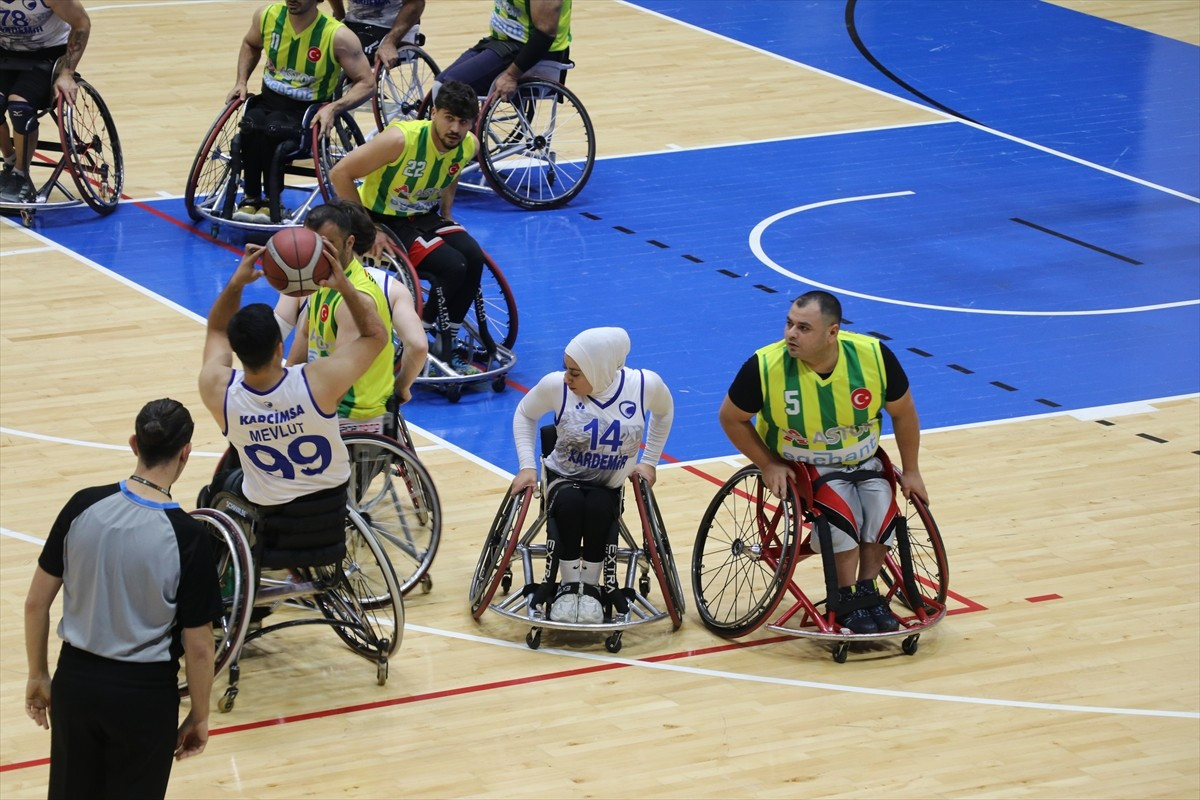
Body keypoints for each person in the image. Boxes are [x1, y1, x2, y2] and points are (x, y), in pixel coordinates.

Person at [23, 398, 222, 800]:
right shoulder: (190, 539)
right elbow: (199, 648)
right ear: (186, 452)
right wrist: (199, 715)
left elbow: (34, 603)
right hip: (142, 697)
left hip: (76, 684)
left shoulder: (83, 504)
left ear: (134, 443)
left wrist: (38, 674)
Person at [718, 290, 929, 635]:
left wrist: (913, 470)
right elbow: (730, 418)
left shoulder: (873, 356)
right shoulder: (765, 365)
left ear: (832, 332)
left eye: (803, 328)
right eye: (789, 324)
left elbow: (904, 414)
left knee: (881, 506)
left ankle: (867, 591)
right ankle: (843, 598)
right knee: (843, 514)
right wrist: (768, 464)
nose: (790, 334)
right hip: (804, 468)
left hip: (864, 459)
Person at [198, 236, 387, 509]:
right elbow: (376, 335)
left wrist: (236, 283)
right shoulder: (319, 382)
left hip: (272, 520)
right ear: (279, 348)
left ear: (235, 350)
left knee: (215, 490)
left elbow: (216, 329)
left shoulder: (218, 390)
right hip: (329, 512)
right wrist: (345, 286)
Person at [510, 327, 674, 624]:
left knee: (599, 507)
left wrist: (650, 461)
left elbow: (665, 411)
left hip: (608, 487)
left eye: (575, 372)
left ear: (598, 370)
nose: (566, 377)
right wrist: (527, 466)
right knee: (571, 503)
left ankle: (593, 589)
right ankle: (570, 587)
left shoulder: (643, 386)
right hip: (562, 480)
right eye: (566, 369)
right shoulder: (555, 388)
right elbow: (525, 413)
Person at [328, 79, 484, 376]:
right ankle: (418, 333)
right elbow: (340, 173)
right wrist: (368, 229)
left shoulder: (467, 144)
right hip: (383, 216)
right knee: (451, 267)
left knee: (473, 257)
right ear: (434, 113)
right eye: (448, 118)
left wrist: (448, 214)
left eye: (462, 121)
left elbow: (452, 172)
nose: (454, 128)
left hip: (424, 214)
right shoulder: (400, 140)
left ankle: (445, 339)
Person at [279, 201, 427, 427]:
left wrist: (297, 412)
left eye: (327, 245)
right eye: (314, 245)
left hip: (349, 414)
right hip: (326, 396)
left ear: (349, 242)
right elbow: (305, 335)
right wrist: (283, 390)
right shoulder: (321, 277)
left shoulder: (355, 298)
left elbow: (341, 379)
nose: (318, 252)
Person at [225, 0, 374, 223]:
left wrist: (334, 107)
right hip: (268, 100)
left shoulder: (338, 36)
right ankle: (251, 198)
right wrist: (241, 81)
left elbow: (367, 83)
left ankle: (271, 202)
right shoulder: (267, 16)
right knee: (251, 124)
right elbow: (250, 44)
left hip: (305, 112)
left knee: (273, 128)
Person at [0, 0, 90, 203]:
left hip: (47, 56)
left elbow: (82, 24)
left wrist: (67, 73)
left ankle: (21, 174)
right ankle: (10, 160)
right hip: (5, 54)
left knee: (19, 105)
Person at [436, 0, 571, 100]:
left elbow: (545, 34)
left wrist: (511, 76)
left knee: (452, 90)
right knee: (439, 86)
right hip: (502, 43)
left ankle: (469, 138)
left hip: (533, 50)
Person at [327, 0, 425, 69]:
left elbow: (416, 3)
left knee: (351, 51)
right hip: (354, 22)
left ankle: (362, 89)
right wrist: (340, 18)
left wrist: (390, 43)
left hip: (389, 26)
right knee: (321, 46)